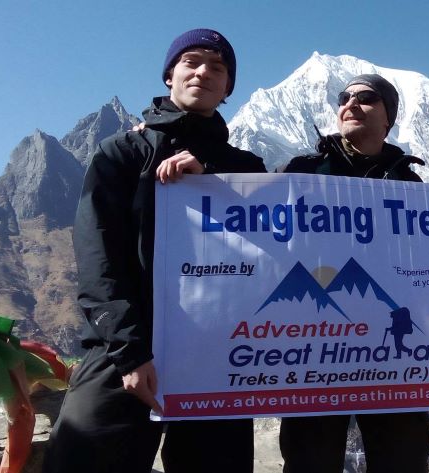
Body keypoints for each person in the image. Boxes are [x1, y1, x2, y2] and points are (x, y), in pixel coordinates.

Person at [44, 28, 265, 473]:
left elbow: (272, 251)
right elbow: (98, 256)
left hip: (217, 353)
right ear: (170, 75)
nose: (203, 71)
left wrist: (214, 178)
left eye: (217, 67)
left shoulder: (247, 169)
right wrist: (129, 351)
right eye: (192, 61)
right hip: (124, 349)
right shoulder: (122, 153)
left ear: (228, 89)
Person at [276, 74, 429, 473]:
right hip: (314, 350)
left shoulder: (412, 185)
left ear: (388, 119)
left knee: (403, 459)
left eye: (367, 98)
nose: (351, 103)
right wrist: (199, 171)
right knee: (310, 461)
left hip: (391, 360)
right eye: (345, 97)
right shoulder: (299, 172)